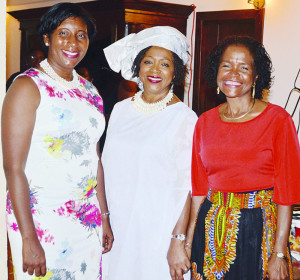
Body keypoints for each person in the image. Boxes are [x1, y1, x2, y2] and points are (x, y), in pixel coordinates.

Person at [2, 3, 113, 279]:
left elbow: (94, 158)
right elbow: (13, 168)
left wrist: (104, 217)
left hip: (85, 220)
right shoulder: (27, 87)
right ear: (47, 38)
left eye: (81, 35)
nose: (73, 42)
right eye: (63, 33)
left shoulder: (90, 91)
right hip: (41, 220)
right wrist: (29, 238)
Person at [178, 36, 300, 280]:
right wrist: (188, 241)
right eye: (226, 65)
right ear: (216, 72)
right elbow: (199, 190)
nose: (233, 73)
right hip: (210, 227)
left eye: (244, 67)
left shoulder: (278, 120)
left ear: (256, 77)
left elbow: (286, 193)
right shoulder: (204, 122)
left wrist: (279, 253)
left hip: (259, 229)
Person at [101, 26, 198, 280]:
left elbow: (186, 187)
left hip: (159, 230)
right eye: (148, 62)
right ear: (138, 67)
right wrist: (104, 218)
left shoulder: (184, 118)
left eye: (165, 64)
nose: (155, 71)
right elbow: (106, 168)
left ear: (175, 72)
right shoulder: (120, 111)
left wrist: (178, 240)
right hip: (118, 227)